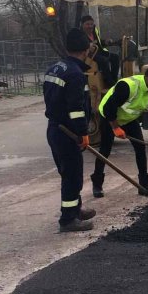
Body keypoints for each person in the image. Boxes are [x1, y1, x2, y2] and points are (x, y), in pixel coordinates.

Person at [44, 29, 97, 232]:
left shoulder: (55, 68)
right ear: (85, 50)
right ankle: (68, 219)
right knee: (72, 175)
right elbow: (76, 109)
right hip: (67, 132)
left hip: (55, 128)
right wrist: (83, 133)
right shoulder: (75, 74)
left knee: (69, 172)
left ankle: (75, 209)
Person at [90, 66, 148, 198]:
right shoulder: (127, 86)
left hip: (128, 120)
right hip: (109, 117)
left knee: (140, 148)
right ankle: (97, 184)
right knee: (105, 151)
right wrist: (115, 128)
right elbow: (109, 108)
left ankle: (144, 186)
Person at [80, 15, 119, 88]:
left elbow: (99, 42)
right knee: (103, 60)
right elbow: (79, 47)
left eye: (91, 24)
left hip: (99, 52)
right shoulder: (80, 34)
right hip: (90, 55)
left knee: (115, 57)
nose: (90, 26)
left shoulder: (95, 30)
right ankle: (108, 82)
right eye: (87, 24)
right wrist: (88, 46)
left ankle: (114, 79)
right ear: (82, 25)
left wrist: (105, 42)